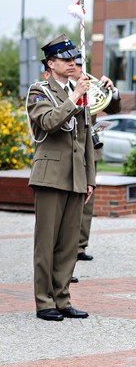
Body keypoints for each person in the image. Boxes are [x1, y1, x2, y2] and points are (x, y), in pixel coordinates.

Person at [26, 35, 94, 322]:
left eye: (74, 60)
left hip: (75, 175)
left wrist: (90, 177)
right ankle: (44, 302)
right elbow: (49, 123)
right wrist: (73, 97)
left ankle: (63, 298)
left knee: (69, 243)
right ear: (50, 63)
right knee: (47, 242)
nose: (72, 64)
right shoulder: (39, 91)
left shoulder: (79, 92)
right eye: (66, 60)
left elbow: (86, 137)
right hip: (50, 176)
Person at [71, 56, 121, 262]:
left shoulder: (91, 85)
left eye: (82, 64)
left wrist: (112, 91)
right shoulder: (66, 88)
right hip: (71, 148)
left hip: (90, 149)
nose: (81, 68)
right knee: (71, 201)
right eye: (76, 64)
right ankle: (68, 248)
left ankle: (80, 245)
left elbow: (113, 109)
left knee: (88, 200)